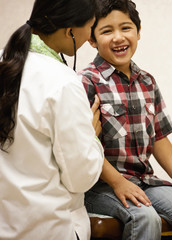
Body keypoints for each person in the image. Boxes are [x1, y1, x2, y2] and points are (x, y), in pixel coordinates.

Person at [79, 0, 172, 239]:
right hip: (100, 187)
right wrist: (118, 182)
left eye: (126, 28)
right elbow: (84, 147)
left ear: (138, 32)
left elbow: (159, 137)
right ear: (92, 40)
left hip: (145, 181)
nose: (118, 37)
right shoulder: (86, 82)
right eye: (107, 31)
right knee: (145, 217)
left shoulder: (147, 81)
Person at [0, 0, 104, 239]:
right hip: (50, 228)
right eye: (90, 27)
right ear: (70, 31)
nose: (90, 36)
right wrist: (92, 137)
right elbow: (80, 177)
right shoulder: (63, 82)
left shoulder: (5, 64)